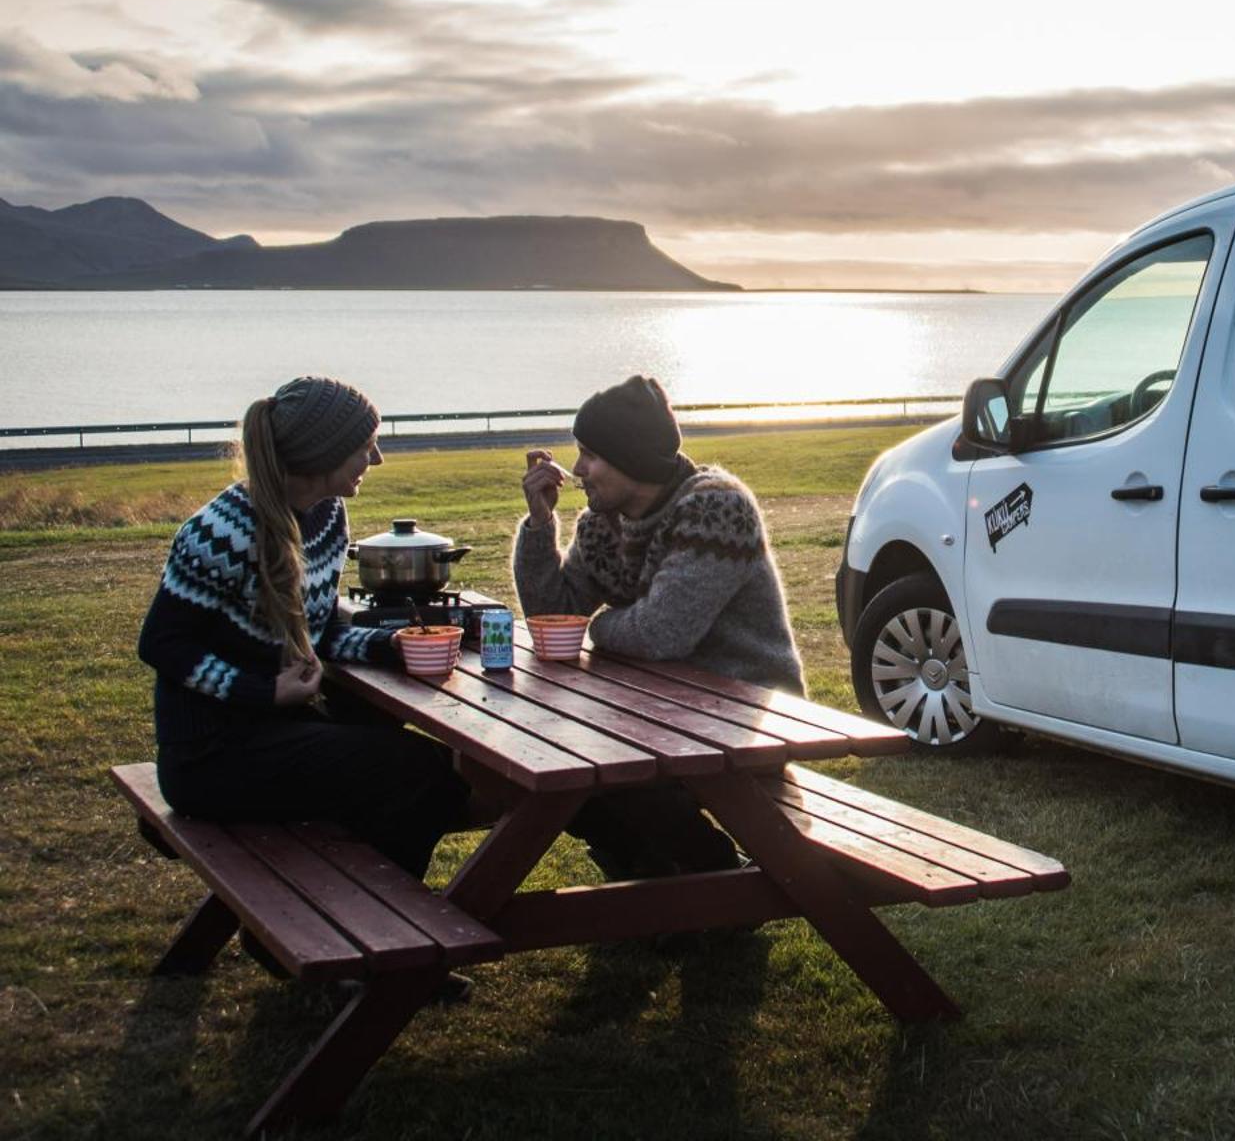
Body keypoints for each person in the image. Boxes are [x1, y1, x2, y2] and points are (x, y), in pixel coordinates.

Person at [137, 376, 468, 885]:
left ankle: (350, 929)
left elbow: (318, 629)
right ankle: (374, 943)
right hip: (211, 757)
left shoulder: (327, 515)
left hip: (279, 730)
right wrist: (262, 690)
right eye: (365, 447)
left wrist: (387, 644)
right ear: (323, 453)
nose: (376, 459)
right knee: (416, 770)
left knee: (403, 753)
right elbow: (163, 643)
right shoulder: (220, 533)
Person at [513, 373, 805, 879]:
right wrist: (540, 526)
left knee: (594, 768)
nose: (577, 469)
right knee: (558, 765)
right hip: (660, 710)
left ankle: (707, 878)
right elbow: (552, 619)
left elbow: (660, 635)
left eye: (590, 454)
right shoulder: (602, 522)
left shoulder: (715, 507)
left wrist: (599, 627)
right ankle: (664, 881)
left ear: (631, 458)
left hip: (744, 708)